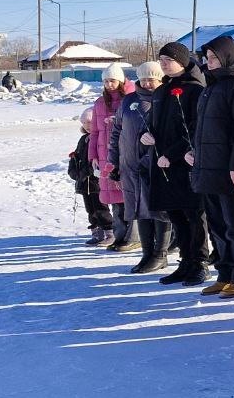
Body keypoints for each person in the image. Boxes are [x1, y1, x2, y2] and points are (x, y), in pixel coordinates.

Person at [189, 36, 234, 298]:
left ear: (228, 56)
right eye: (207, 59)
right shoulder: (212, 86)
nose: (209, 63)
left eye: (214, 58)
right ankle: (225, 273)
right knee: (218, 226)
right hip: (209, 167)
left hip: (230, 170)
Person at [147, 43, 210, 284]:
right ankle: (185, 261)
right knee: (175, 215)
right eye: (161, 58)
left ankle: (199, 262)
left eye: (168, 59)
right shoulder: (162, 90)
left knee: (194, 214)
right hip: (162, 163)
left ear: (182, 61)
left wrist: (173, 154)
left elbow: (194, 129)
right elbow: (155, 122)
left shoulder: (195, 90)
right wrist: (146, 133)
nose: (163, 63)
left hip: (185, 162)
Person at [109, 61, 172, 274]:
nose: (146, 83)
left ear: (160, 79)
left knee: (158, 210)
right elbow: (117, 131)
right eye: (143, 78)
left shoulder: (165, 99)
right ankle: (146, 253)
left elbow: (177, 130)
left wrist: (157, 141)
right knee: (138, 209)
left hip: (155, 165)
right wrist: (114, 160)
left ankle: (160, 254)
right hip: (130, 165)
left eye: (151, 79)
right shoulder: (129, 101)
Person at [90, 63, 139, 252]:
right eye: (106, 81)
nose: (109, 84)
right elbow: (94, 132)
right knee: (114, 200)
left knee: (129, 197)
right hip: (105, 157)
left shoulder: (131, 99)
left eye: (112, 80)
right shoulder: (100, 103)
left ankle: (134, 236)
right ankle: (119, 236)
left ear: (120, 80)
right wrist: (92, 155)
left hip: (127, 155)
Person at [69, 108, 114, 245]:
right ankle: (96, 232)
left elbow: (96, 159)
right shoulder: (83, 139)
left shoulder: (99, 138)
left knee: (101, 207)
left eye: (90, 122)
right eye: (84, 123)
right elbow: (77, 156)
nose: (87, 126)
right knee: (90, 209)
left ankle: (109, 232)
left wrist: (87, 171)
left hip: (96, 180)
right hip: (84, 183)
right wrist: (73, 169)